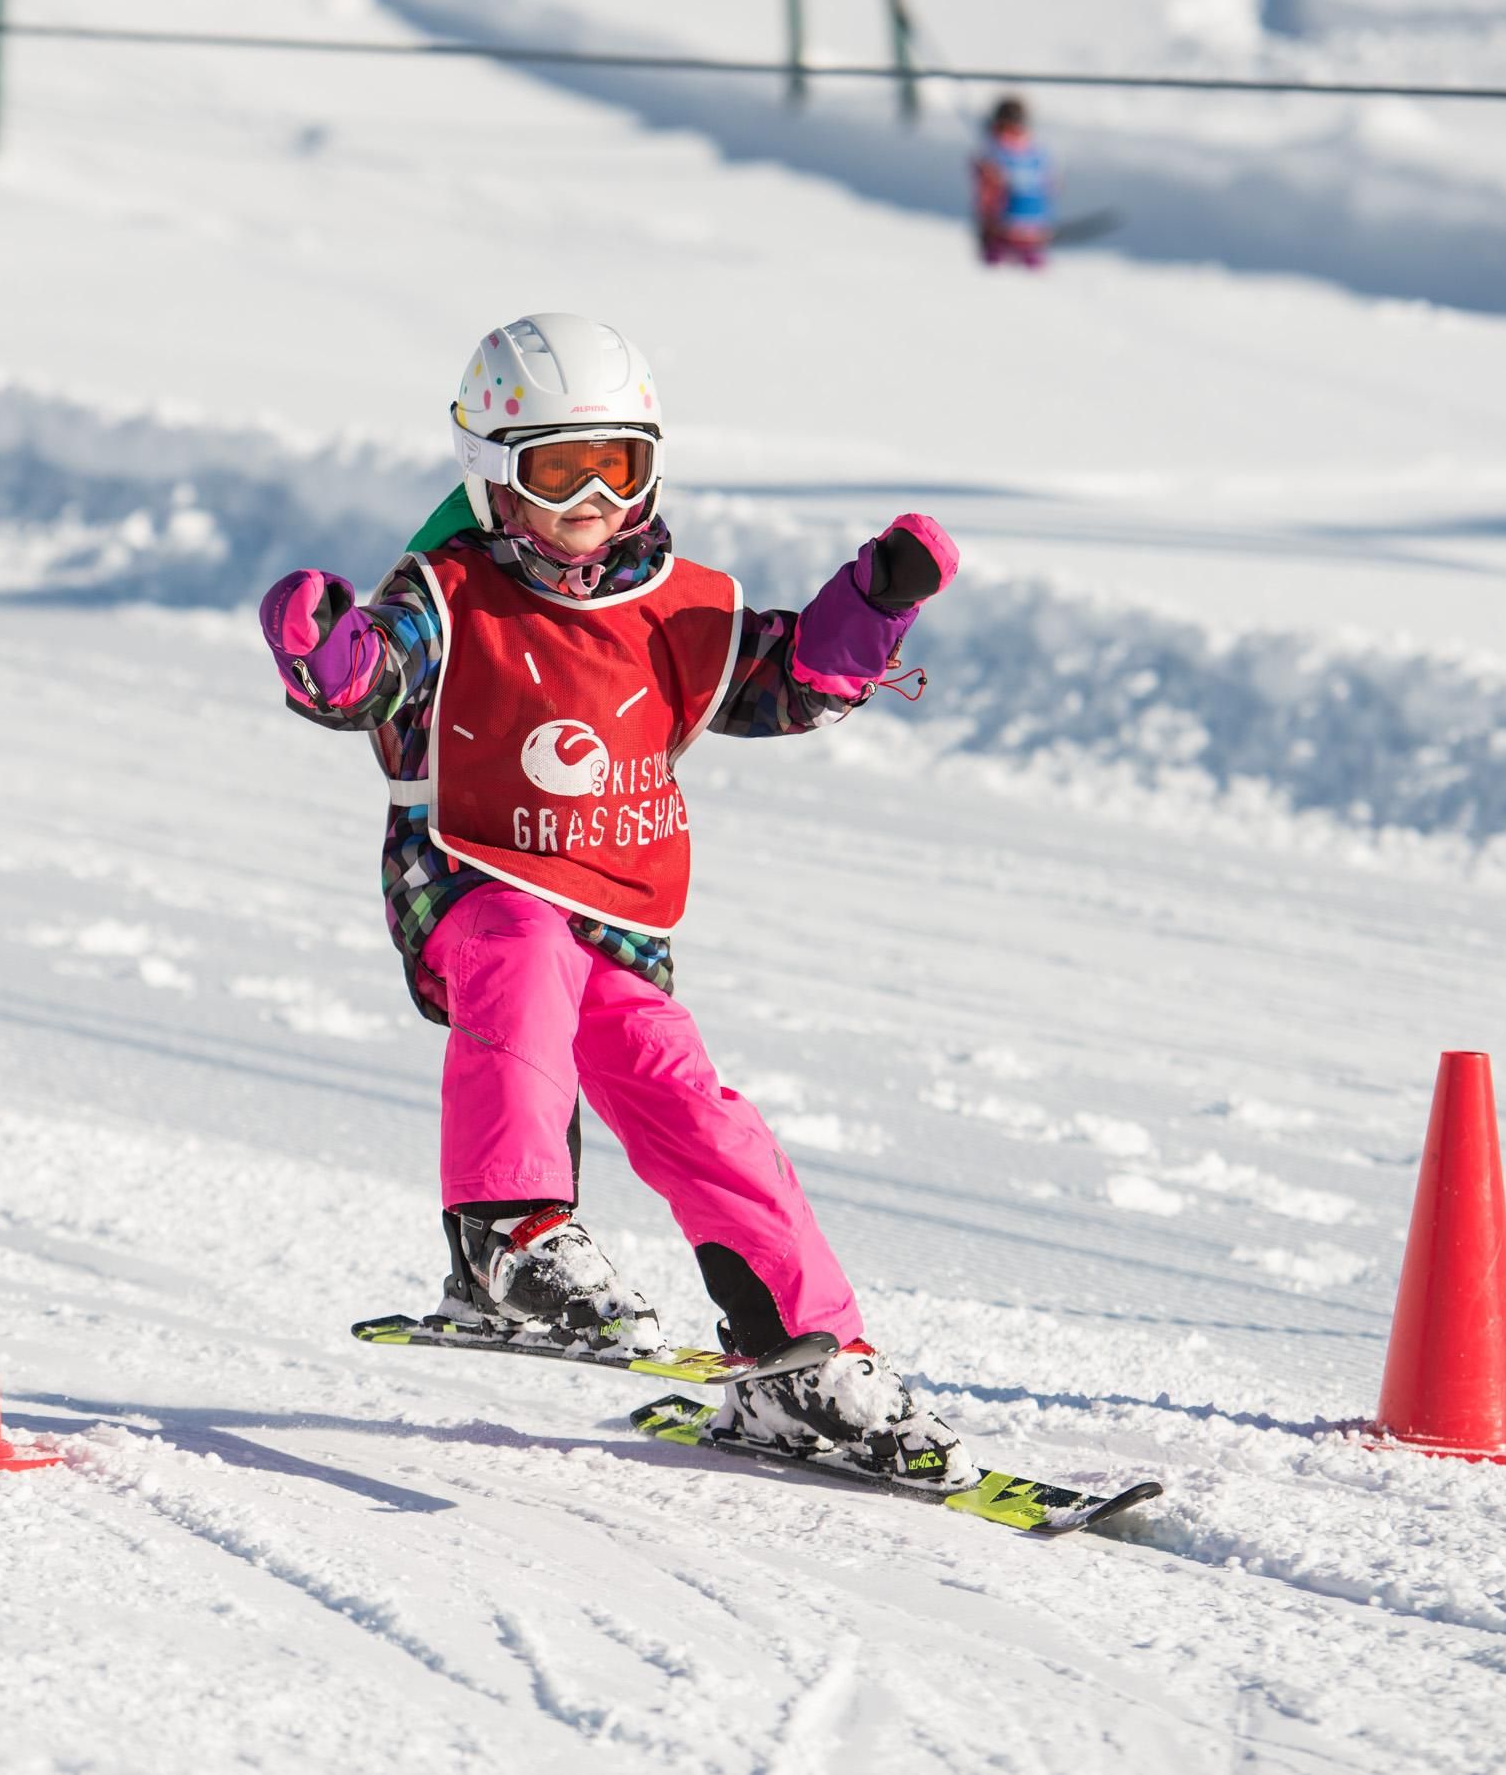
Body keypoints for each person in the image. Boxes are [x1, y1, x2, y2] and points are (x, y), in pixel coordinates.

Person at [257, 313, 979, 1485]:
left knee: (695, 1106)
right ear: (493, 476)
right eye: (556, 468)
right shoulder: (446, 598)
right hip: (470, 896)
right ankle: (508, 1235)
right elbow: (367, 676)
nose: (591, 496)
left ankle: (801, 1355)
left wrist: (874, 598)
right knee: (523, 939)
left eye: (619, 465)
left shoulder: (675, 606)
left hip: (618, 927)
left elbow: (788, 680)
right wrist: (327, 655)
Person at [972, 95, 1053, 267]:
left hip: (1022, 230)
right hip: (1010, 230)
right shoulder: (996, 154)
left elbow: (1047, 188)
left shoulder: (1033, 154)